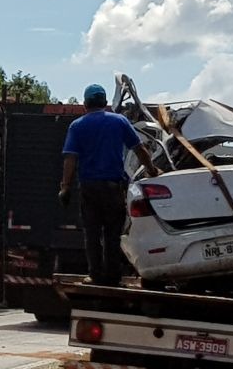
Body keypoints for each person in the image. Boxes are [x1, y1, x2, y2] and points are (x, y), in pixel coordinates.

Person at [58, 83, 160, 286]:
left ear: (86, 104)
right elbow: (139, 149)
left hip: (89, 188)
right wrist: (152, 170)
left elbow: (70, 159)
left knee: (92, 233)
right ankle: (113, 277)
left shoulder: (77, 126)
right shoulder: (119, 121)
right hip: (113, 187)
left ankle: (95, 276)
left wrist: (65, 187)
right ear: (105, 103)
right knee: (113, 234)